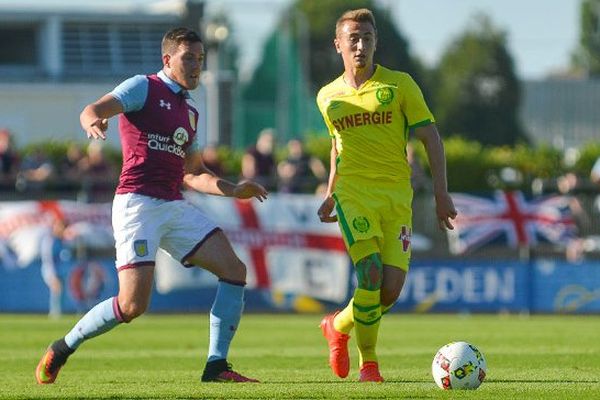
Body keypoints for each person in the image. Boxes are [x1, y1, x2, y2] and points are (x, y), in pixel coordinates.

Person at [35, 27, 267, 385]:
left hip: (173, 204)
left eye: (200, 60)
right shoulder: (143, 86)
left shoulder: (190, 112)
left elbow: (192, 174)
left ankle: (216, 367)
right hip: (137, 204)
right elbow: (92, 109)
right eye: (188, 58)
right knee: (132, 306)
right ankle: (63, 346)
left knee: (234, 270)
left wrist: (234, 190)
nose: (196, 67)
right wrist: (92, 121)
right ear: (167, 59)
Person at [315, 9, 457, 382]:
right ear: (339, 45)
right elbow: (337, 146)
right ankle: (370, 365)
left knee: (388, 292)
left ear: (376, 42)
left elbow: (431, 138)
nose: (360, 46)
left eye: (367, 38)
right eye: (353, 39)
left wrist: (441, 194)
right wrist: (332, 192)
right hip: (353, 194)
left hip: (396, 197)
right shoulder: (327, 96)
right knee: (370, 273)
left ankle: (338, 325)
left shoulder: (400, 85)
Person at [40, 216, 73, 318]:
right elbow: (48, 259)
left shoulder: (63, 240)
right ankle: (55, 315)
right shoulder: (50, 240)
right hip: (51, 271)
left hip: (61, 271)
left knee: (61, 293)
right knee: (56, 291)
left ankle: (58, 314)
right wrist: (52, 275)